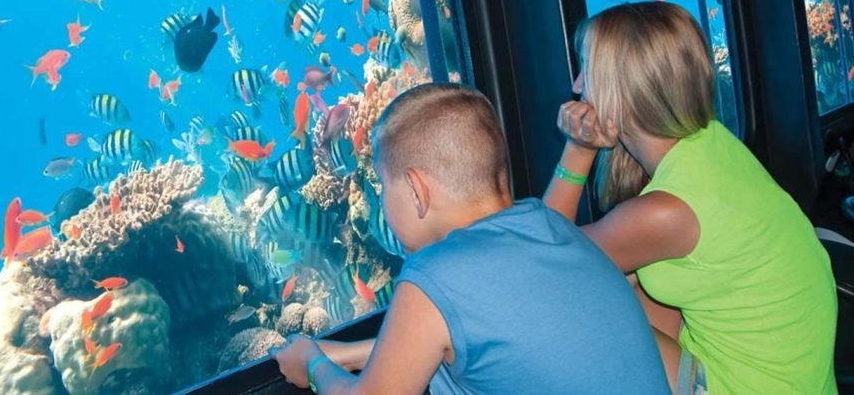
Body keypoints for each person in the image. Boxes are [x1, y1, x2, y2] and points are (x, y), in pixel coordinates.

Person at [271, 83, 669, 394]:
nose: (381, 202)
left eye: (381, 186)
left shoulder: (434, 275)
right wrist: (347, 353)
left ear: (415, 191)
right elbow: (482, 335)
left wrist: (312, 363)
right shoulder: (550, 224)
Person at [544, 1, 838, 394]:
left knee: (570, 311)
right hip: (797, 379)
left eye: (588, 70)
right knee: (621, 279)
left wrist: (577, 150)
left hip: (749, 386)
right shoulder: (712, 142)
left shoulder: (667, 211)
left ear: (623, 90)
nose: (578, 86)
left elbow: (543, 264)